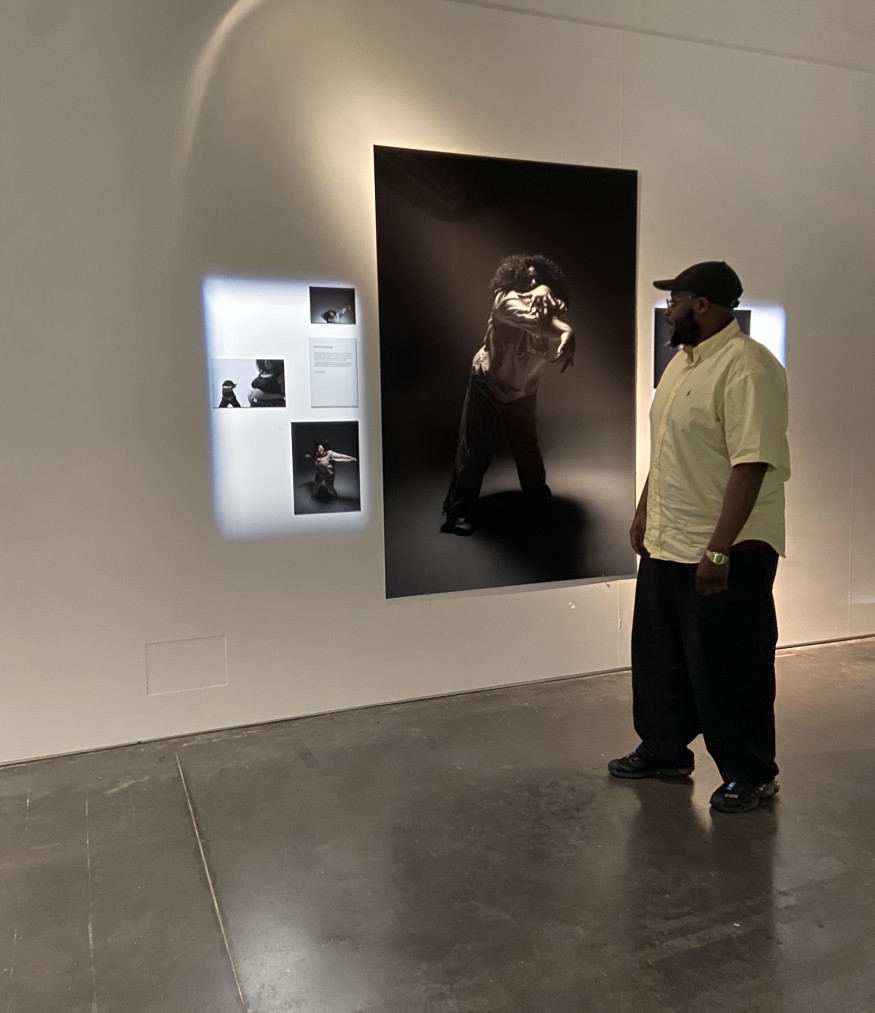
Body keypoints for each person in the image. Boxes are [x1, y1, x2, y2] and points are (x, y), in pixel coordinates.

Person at [608, 261, 790, 814]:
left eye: (675, 300)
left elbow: (751, 464)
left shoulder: (747, 367)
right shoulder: (682, 365)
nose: (669, 310)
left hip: (725, 548)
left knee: (731, 665)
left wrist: (719, 548)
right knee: (660, 655)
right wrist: (645, 510)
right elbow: (667, 448)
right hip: (670, 539)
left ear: (703, 305)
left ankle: (751, 773)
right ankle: (664, 749)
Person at [442, 254, 575, 535]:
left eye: (539, 279)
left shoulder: (550, 305)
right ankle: (457, 511)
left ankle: (538, 499)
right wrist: (550, 305)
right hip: (488, 384)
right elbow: (539, 322)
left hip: (524, 390)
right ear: (514, 280)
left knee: (527, 449)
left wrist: (565, 331)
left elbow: (552, 324)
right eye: (527, 279)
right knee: (475, 451)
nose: (533, 283)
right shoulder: (504, 301)